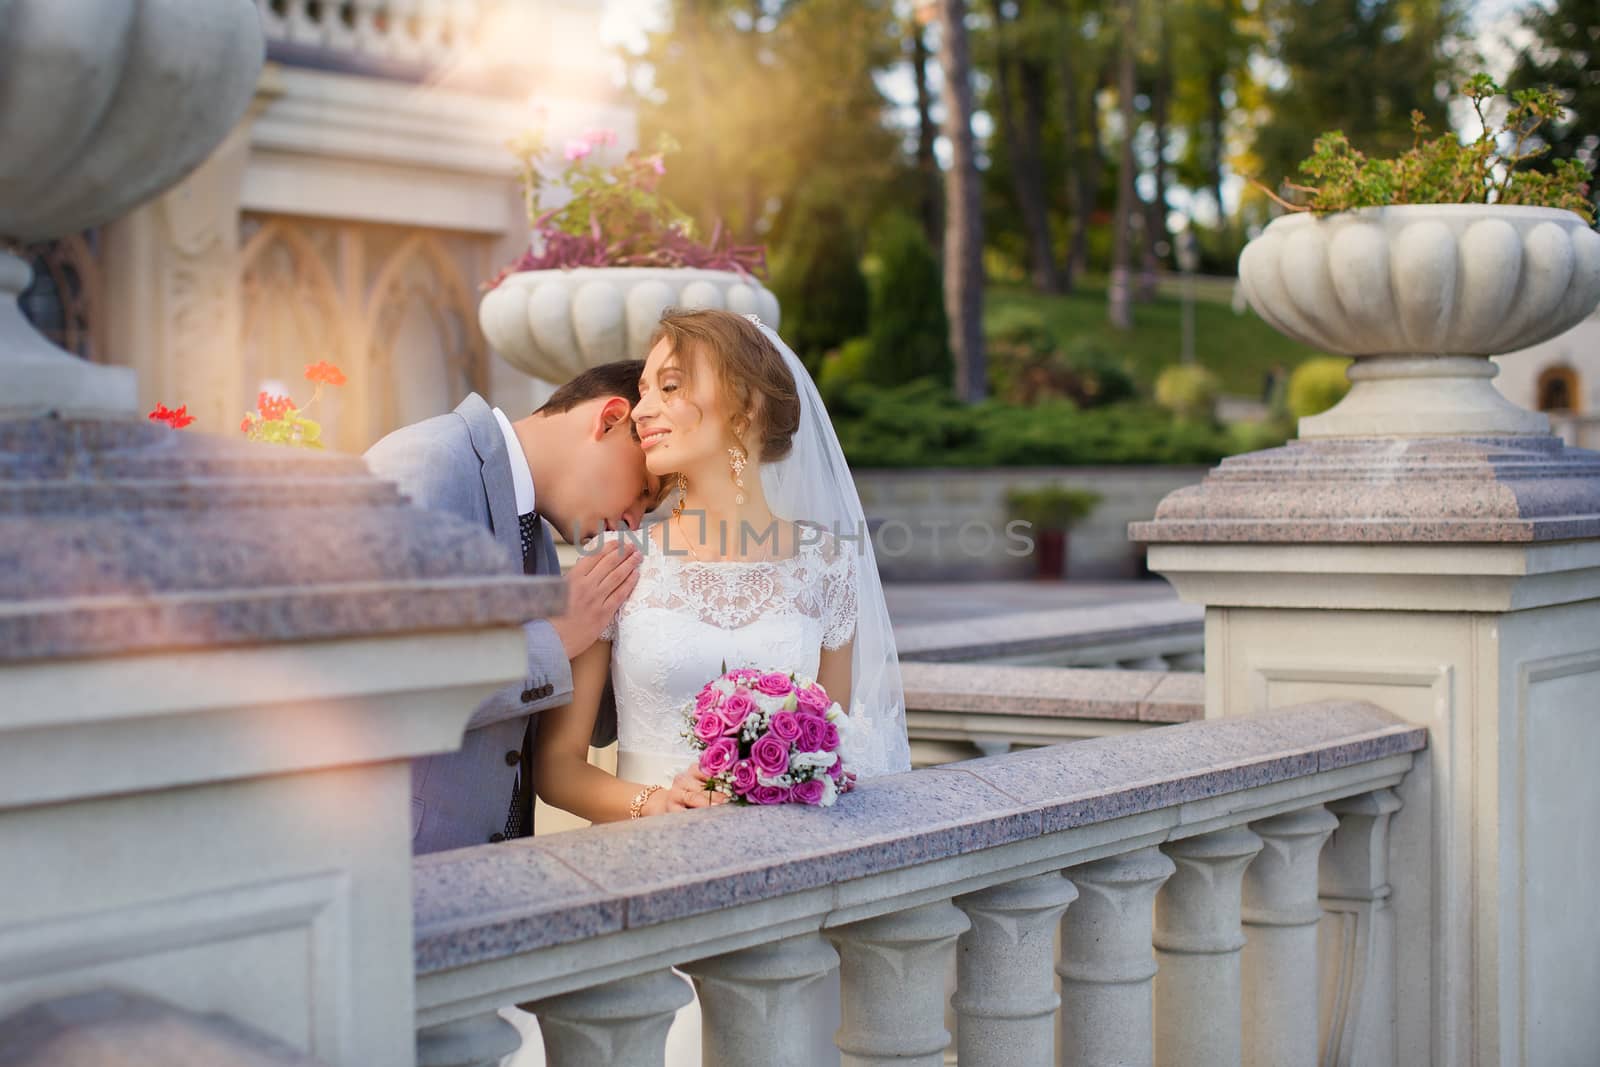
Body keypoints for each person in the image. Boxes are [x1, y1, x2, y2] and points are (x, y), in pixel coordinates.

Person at [527, 308, 911, 1067]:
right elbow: (557, 766)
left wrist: (806, 775)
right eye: (643, 390)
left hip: (779, 909)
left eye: (670, 385)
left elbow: (842, 750)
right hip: (645, 893)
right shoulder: (618, 559)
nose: (643, 410)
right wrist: (648, 803)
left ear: (747, 403)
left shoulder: (826, 567)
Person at [363, 366, 662, 853]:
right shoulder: (428, 464)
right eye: (644, 492)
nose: (631, 520)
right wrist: (557, 637)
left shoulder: (537, 537)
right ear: (609, 419)